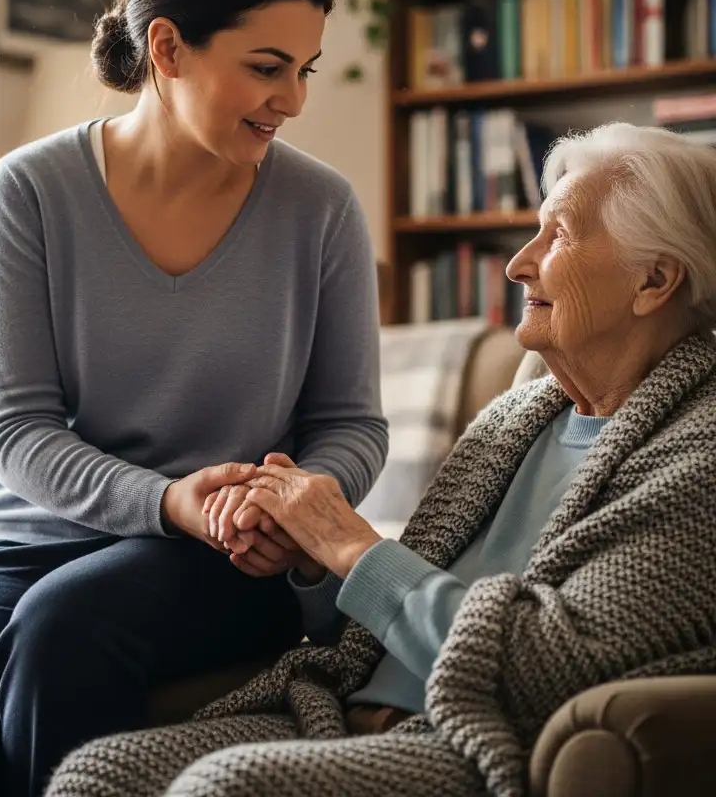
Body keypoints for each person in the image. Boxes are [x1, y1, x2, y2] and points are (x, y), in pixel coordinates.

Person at [0, 0, 388, 797]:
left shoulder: (321, 210)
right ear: (169, 49)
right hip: (33, 539)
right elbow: (19, 429)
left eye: (304, 70)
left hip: (222, 558)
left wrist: (283, 508)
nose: (292, 100)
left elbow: (349, 423)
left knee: (62, 629)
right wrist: (168, 499)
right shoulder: (31, 189)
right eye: (266, 67)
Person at [48, 121, 716, 797]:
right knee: (95, 777)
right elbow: (379, 620)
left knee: (226, 789)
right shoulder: (513, 421)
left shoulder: (698, 455)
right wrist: (311, 558)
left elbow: (541, 667)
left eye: (560, 235)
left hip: (471, 740)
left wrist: (349, 544)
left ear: (654, 280)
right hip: (338, 714)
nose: (518, 263)